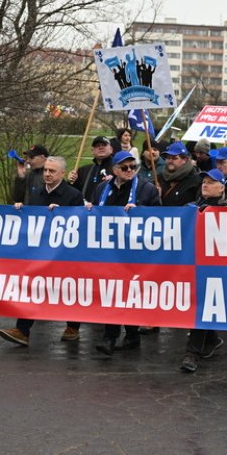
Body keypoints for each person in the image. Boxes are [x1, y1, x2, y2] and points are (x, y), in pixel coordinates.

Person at [0, 156, 85, 346]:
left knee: (67, 289)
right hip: (40, 253)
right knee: (33, 287)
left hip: (64, 255)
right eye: (45, 170)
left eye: (52, 171)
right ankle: (22, 330)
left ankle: (73, 326)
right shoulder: (37, 193)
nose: (47, 174)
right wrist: (20, 210)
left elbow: (81, 224)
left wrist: (62, 214)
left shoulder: (74, 195)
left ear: (62, 173)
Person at [89, 150, 161, 354]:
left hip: (135, 253)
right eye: (124, 167)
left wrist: (141, 211)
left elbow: (161, 218)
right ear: (114, 170)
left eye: (132, 167)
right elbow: (94, 212)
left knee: (128, 294)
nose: (129, 171)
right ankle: (115, 337)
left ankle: (127, 335)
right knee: (112, 293)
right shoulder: (102, 188)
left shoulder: (146, 189)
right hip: (109, 252)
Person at [180, 169, 227, 373]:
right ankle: (212, 339)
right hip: (192, 264)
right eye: (204, 182)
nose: (205, 185)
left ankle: (192, 352)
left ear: (222, 187)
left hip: (217, 267)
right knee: (199, 304)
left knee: (202, 304)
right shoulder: (191, 207)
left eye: (211, 182)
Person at [68, 135, 114, 203]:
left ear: (111, 150)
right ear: (92, 151)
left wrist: (115, 180)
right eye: (97, 145)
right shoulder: (83, 170)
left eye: (104, 145)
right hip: (87, 211)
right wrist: (70, 182)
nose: (101, 147)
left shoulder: (120, 169)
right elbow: (72, 193)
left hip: (108, 210)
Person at [159, 141, 201, 206]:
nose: (170, 161)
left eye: (174, 158)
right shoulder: (159, 178)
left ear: (184, 159)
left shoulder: (195, 180)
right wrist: (155, 194)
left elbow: (199, 204)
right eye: (168, 157)